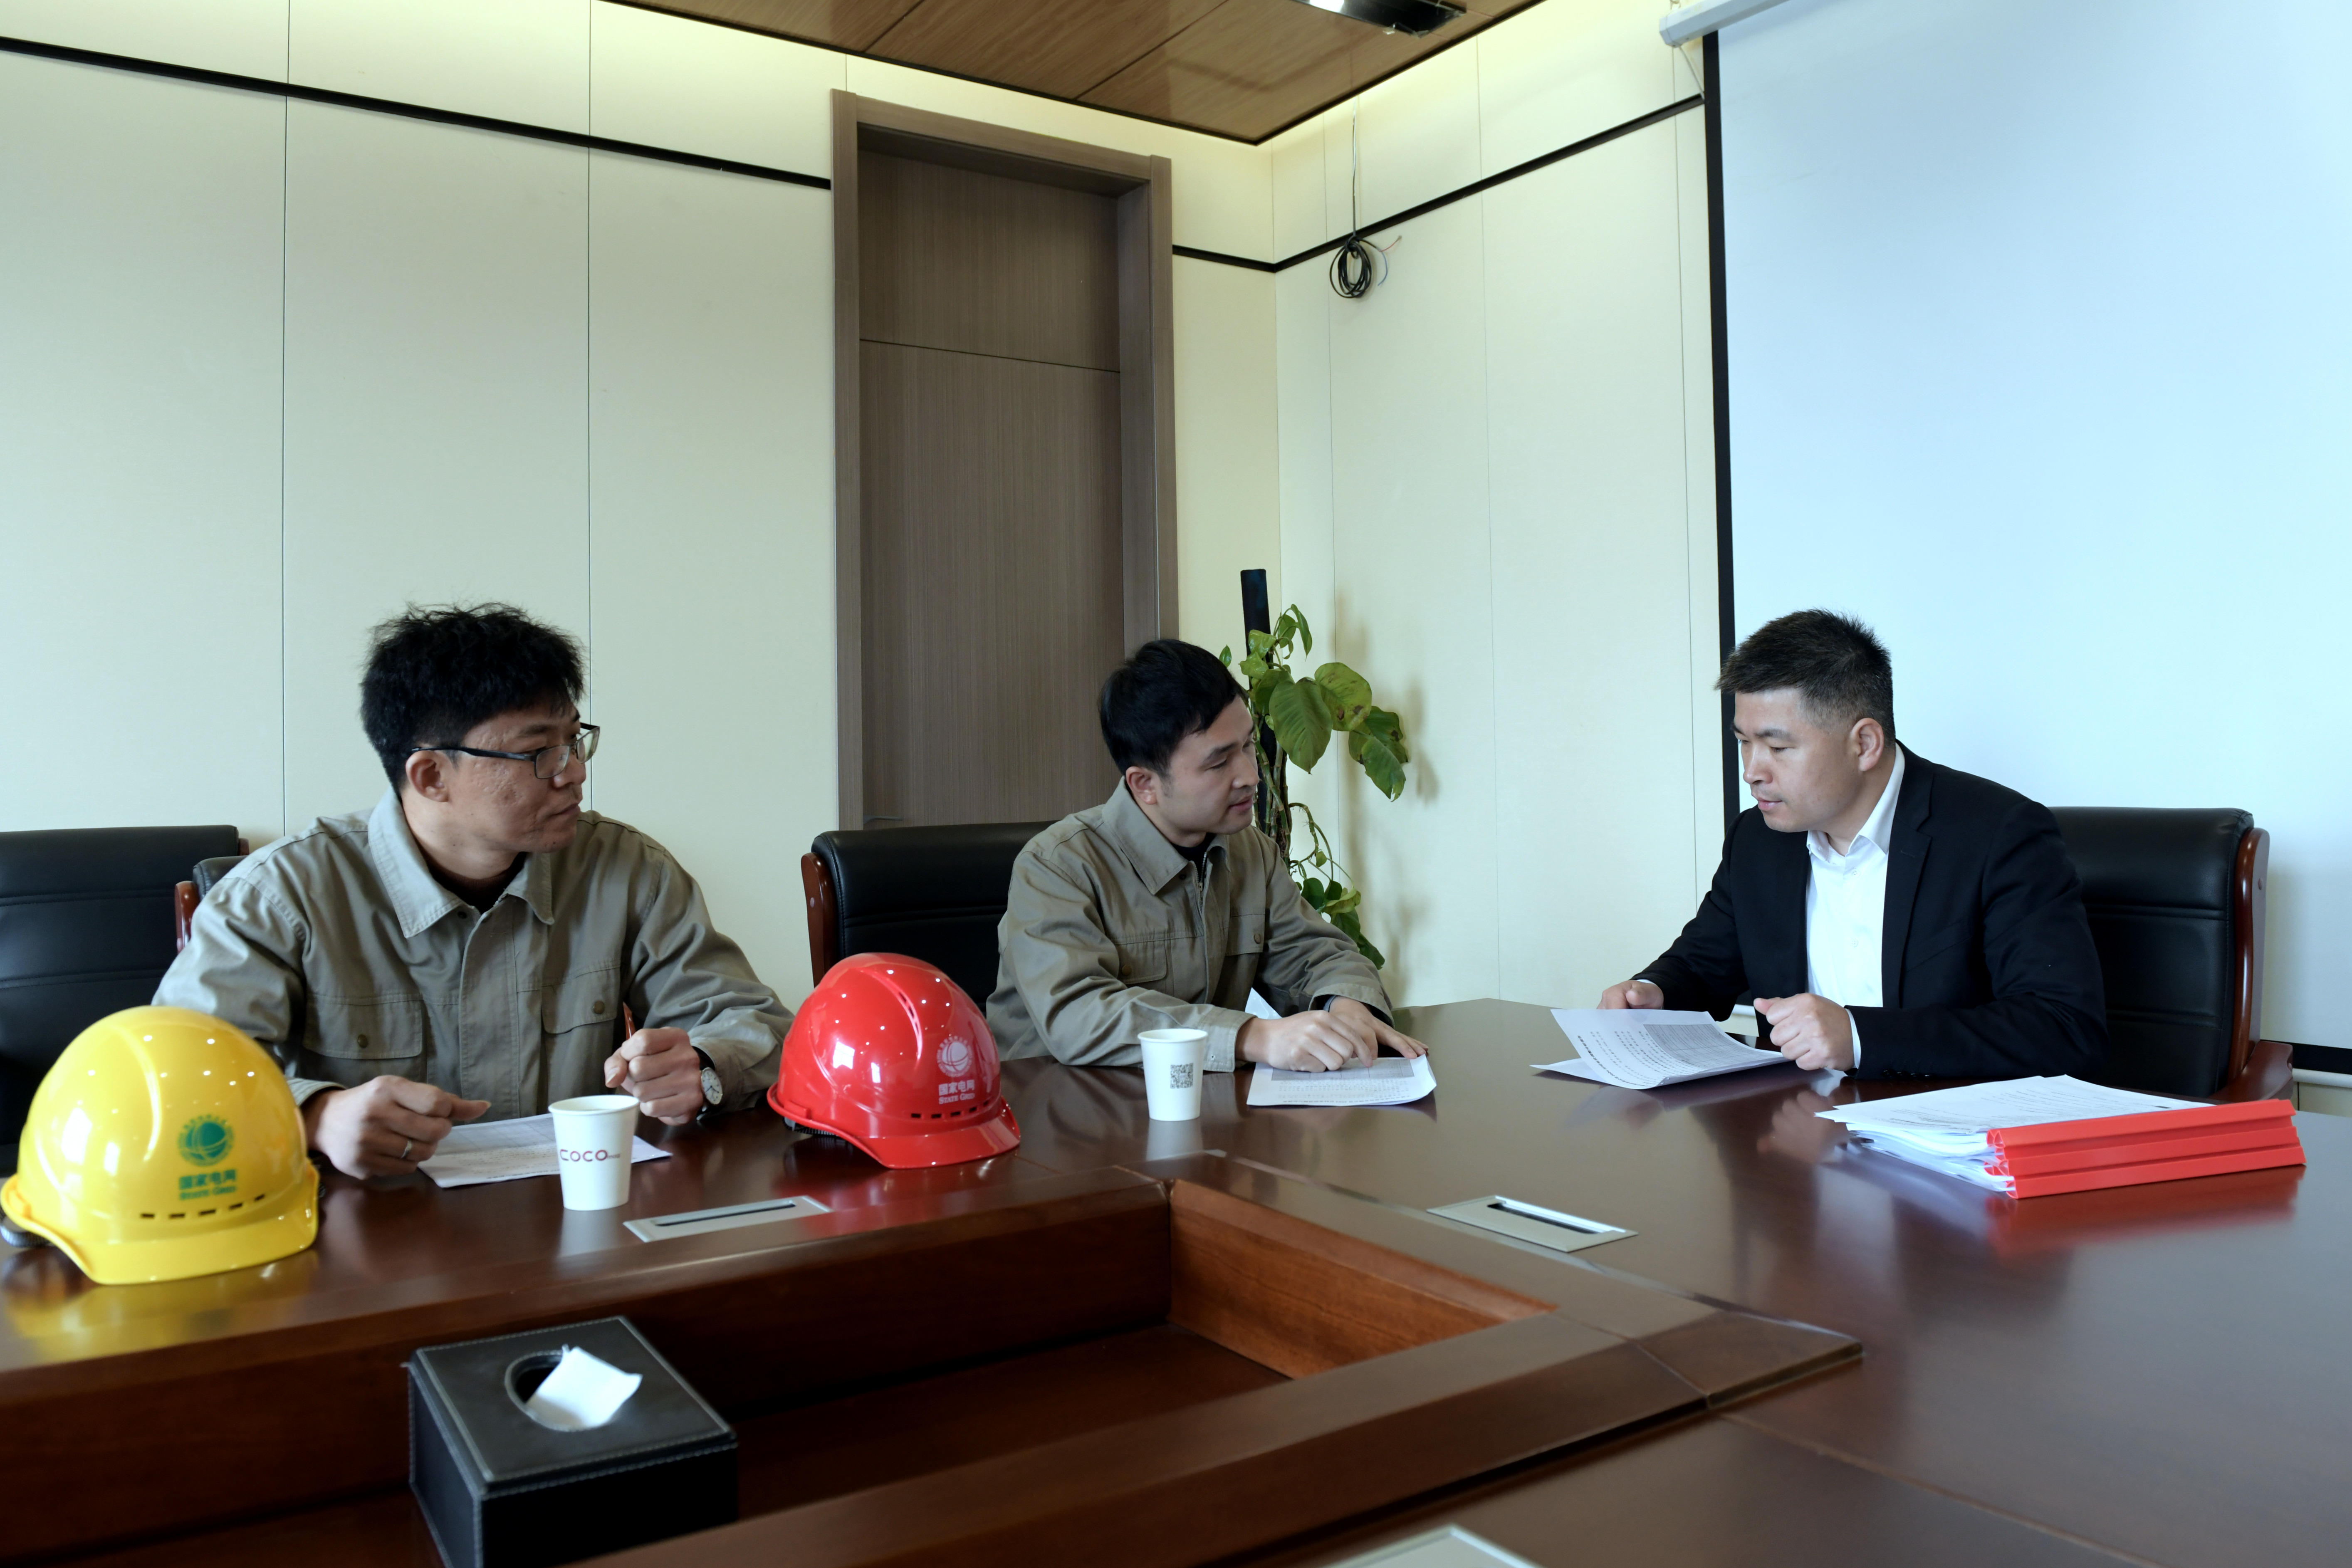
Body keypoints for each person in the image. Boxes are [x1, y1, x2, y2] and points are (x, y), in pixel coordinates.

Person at [157, 604, 789, 1179]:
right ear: (431, 775)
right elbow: (170, 1081)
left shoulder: (625, 869)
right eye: (539, 752)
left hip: (577, 1217)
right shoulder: (281, 896)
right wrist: (315, 1116)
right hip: (368, 1231)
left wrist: (705, 1066)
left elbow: (757, 1024)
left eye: (574, 740)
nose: (574, 772)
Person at [1598, 609, 2104, 1079]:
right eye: (1744, 743)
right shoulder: (1759, 838)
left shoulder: (1999, 834)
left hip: (1941, 1129)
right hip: (1795, 1129)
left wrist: (1860, 1037)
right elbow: (1702, 965)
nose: (1752, 771)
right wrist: (1654, 991)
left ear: (1864, 744)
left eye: (1778, 747)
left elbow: (2063, 1027)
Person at [990, 638, 1426, 1073]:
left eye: (1248, 745)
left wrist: (1345, 1005)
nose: (1251, 776)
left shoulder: (1251, 853)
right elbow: (1077, 1014)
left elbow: (1316, 953)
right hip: (1064, 1103)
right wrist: (1251, 1036)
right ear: (1145, 784)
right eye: (1219, 763)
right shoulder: (1058, 866)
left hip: (1199, 1103)